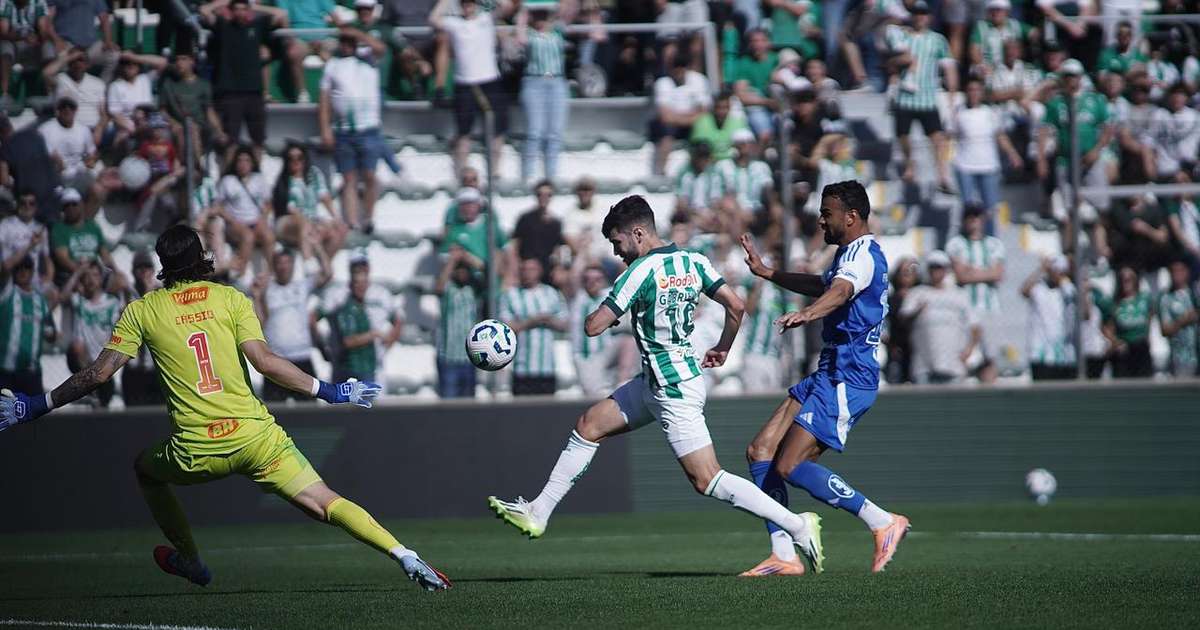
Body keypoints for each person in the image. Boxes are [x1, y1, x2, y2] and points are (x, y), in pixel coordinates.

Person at [0, 225, 449, 591]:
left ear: (162, 266)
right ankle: (403, 554)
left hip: (197, 450)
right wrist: (332, 391)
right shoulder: (231, 299)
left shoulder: (142, 310)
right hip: (257, 439)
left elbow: (97, 375)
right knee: (324, 503)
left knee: (144, 469)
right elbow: (266, 363)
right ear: (202, 259)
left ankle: (192, 562)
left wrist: (35, 405)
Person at [487, 195, 824, 577]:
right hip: (660, 379)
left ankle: (798, 525)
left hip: (673, 388)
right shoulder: (693, 260)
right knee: (589, 425)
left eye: (618, 243)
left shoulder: (639, 272)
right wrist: (723, 348)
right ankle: (539, 511)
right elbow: (736, 305)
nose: (618, 253)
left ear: (637, 233)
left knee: (707, 478)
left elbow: (592, 325)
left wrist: (609, 309)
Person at [736, 180, 909, 577]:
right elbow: (826, 285)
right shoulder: (848, 254)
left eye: (827, 212)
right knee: (760, 451)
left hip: (850, 376)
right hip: (829, 371)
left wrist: (809, 314)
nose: (821, 220)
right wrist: (768, 272)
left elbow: (839, 293)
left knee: (790, 467)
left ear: (850, 217)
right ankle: (784, 554)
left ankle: (881, 521)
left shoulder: (864, 254)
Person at [429, 0, 517, 176]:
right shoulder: (454, 23)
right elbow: (433, 19)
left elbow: (507, 6)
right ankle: (462, 174)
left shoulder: (486, 18)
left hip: (489, 80)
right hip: (464, 84)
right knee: (463, 132)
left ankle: (494, 172)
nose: (467, 5)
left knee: (497, 131)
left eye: (471, 2)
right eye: (464, 3)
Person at [199, 0, 288, 162]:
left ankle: (257, 175)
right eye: (237, 9)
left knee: (258, 139)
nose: (240, 13)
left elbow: (281, 14)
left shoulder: (257, 26)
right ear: (231, 11)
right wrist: (225, 2)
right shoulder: (223, 26)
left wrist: (255, 7)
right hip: (230, 93)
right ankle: (227, 178)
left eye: (244, 9)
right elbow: (204, 10)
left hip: (254, 92)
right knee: (230, 141)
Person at [319, 29, 387, 234]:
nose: (347, 45)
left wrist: (357, 34)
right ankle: (351, 221)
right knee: (348, 178)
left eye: (351, 42)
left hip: (368, 128)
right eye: (344, 41)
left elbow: (381, 48)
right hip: (343, 130)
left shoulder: (370, 60)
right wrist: (325, 129)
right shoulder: (333, 65)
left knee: (369, 175)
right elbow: (324, 101)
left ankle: (368, 217)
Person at [885, 0, 957, 189]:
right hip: (905, 96)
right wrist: (902, 60)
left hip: (927, 96)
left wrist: (952, 93)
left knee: (937, 138)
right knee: (903, 136)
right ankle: (909, 164)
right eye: (916, 14)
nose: (919, 18)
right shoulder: (901, 36)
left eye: (923, 14)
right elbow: (890, 61)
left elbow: (949, 66)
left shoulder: (937, 40)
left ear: (929, 17)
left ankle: (942, 174)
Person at [252, 245, 332, 402]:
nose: (284, 267)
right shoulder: (267, 290)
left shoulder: (302, 286)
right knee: (275, 414)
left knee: (310, 412)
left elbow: (327, 273)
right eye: (280, 263)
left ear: (293, 265)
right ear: (274, 266)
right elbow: (260, 322)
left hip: (302, 358)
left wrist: (317, 247)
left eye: (287, 262)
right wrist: (257, 297)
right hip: (276, 360)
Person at [1037, 59, 1114, 215]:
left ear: (1080, 77)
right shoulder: (1056, 103)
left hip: (1090, 159)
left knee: (1100, 206)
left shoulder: (1094, 100)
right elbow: (1044, 130)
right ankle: (1071, 238)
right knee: (1068, 208)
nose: (1070, 80)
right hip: (1065, 160)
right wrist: (1041, 159)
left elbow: (1108, 128)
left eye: (1074, 76)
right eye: (1067, 76)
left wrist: (1097, 150)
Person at [898, 250, 984, 384]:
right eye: (933, 267)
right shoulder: (916, 294)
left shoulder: (960, 295)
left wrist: (969, 350)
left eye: (939, 267)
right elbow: (903, 321)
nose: (936, 272)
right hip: (924, 363)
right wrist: (917, 312)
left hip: (954, 362)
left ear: (946, 270)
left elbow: (975, 326)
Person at [951, 78, 1022, 230]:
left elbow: (1000, 135)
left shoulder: (990, 112)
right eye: (970, 90)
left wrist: (1012, 153)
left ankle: (990, 240)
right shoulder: (959, 112)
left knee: (990, 207)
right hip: (965, 165)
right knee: (968, 208)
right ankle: (967, 239)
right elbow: (950, 136)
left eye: (977, 90)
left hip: (989, 165)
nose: (974, 93)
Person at [516, 2, 571, 183]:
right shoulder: (530, 34)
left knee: (554, 133)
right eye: (537, 15)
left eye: (544, 15)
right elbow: (521, 37)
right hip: (534, 82)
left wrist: (553, 12)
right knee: (535, 132)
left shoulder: (557, 32)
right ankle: (529, 175)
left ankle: (551, 175)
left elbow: (566, 13)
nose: (541, 19)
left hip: (557, 82)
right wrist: (525, 11)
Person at [499, 258, 567, 396]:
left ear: (540, 271)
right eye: (524, 269)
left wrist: (548, 320)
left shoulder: (551, 293)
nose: (527, 273)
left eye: (532, 269)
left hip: (547, 368)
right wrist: (531, 321)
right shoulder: (511, 295)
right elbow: (506, 328)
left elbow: (565, 324)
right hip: (522, 369)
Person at [271, 143, 348, 258]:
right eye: (291, 159)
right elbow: (291, 210)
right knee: (307, 226)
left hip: (310, 220)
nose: (296, 161)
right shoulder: (285, 181)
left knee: (338, 230)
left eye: (300, 158)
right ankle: (309, 262)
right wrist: (312, 224)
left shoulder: (313, 174)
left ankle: (322, 270)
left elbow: (324, 196)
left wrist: (336, 218)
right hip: (288, 221)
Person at [63, 260, 122, 407]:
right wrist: (77, 272)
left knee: (103, 408)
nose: (90, 279)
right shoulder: (80, 301)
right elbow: (62, 297)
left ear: (101, 278)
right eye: (86, 276)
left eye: (95, 275)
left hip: (104, 362)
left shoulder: (111, 303)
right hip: (84, 364)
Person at [158, 50, 229, 167]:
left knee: (195, 129)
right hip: (177, 125)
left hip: (200, 126)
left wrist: (219, 131)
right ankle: (189, 167)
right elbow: (162, 111)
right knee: (184, 131)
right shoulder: (168, 84)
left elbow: (209, 111)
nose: (179, 63)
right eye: (177, 60)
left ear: (192, 61)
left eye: (183, 59)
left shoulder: (203, 85)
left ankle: (196, 167)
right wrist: (173, 123)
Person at [650, 53, 712, 175]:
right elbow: (665, 116)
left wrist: (680, 117)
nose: (678, 71)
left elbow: (704, 111)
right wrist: (689, 116)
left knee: (705, 130)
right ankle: (660, 172)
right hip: (671, 124)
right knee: (666, 135)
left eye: (682, 67)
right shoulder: (662, 83)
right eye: (675, 67)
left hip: (691, 122)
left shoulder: (699, 80)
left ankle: (705, 170)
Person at [0, 255, 55, 393]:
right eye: (19, 268)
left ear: (32, 272)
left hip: (31, 373)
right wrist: (32, 244)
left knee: (33, 414)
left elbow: (50, 331)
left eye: (27, 268)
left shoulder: (40, 301)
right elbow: (5, 267)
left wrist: (51, 334)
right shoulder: (7, 293)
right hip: (6, 372)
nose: (23, 272)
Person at [216, 146, 274, 277]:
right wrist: (233, 221)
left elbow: (268, 203)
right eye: (240, 161)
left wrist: (263, 219)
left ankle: (271, 274)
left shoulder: (259, 179)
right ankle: (240, 273)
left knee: (269, 236)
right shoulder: (227, 181)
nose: (243, 164)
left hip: (255, 221)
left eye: (247, 160)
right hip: (234, 224)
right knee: (248, 236)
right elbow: (218, 206)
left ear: (252, 163)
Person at [739, 242, 788, 394]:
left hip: (775, 357)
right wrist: (760, 279)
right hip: (755, 354)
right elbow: (749, 309)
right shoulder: (756, 285)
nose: (776, 262)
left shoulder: (783, 289)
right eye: (773, 259)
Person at [434, 246, 481, 398]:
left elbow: (491, 274)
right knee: (448, 407)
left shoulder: (474, 290)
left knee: (468, 409)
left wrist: (467, 257)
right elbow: (439, 286)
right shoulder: (449, 290)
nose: (462, 273)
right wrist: (452, 261)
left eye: (465, 270)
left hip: (469, 359)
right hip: (449, 359)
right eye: (458, 270)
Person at [1021, 255, 1077, 380]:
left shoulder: (1069, 290)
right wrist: (1040, 269)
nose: (1057, 274)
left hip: (1064, 354)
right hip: (1041, 353)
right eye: (1054, 270)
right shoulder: (1039, 288)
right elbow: (1023, 291)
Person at [121, 250, 165, 407]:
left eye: (147, 268)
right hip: (133, 368)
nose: (144, 272)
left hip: (155, 367)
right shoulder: (127, 293)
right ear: (133, 271)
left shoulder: (162, 293)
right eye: (140, 268)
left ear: (153, 271)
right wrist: (146, 292)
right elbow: (133, 322)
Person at [50, 187, 116, 288]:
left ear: (81, 205)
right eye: (66, 205)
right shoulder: (59, 229)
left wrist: (115, 270)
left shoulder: (92, 226)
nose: (71, 208)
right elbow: (63, 259)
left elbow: (104, 253)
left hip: (95, 272)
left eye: (74, 204)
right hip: (73, 274)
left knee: (121, 282)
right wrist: (83, 272)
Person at [569, 264, 618, 398]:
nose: (592, 283)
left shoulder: (608, 295)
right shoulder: (578, 297)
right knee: (593, 395)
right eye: (587, 279)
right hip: (584, 355)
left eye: (597, 279)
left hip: (606, 352)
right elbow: (573, 276)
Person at [41, 47, 107, 145]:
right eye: (74, 61)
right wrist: (68, 57)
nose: (78, 64)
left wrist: (99, 129)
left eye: (81, 60)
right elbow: (46, 73)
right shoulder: (60, 79)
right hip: (66, 129)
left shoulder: (98, 83)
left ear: (87, 64)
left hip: (92, 129)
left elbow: (103, 114)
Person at [0, 0, 54, 107]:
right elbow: (3, 31)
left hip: (34, 44)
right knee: (5, 48)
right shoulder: (5, 2)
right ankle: (5, 94)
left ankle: (51, 94)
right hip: (13, 42)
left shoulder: (39, 2)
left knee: (48, 48)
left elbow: (43, 30)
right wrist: (23, 37)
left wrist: (37, 38)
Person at [1103, 265, 1154, 379]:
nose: (1126, 283)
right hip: (1125, 348)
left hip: (1141, 347)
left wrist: (1148, 335)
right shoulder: (1115, 303)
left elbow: (1150, 315)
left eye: (1129, 279)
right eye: (1123, 280)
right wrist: (1116, 341)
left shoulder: (1144, 298)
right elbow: (1106, 327)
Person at [510, 180, 567, 282]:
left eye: (548, 195)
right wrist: (516, 266)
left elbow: (557, 249)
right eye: (540, 194)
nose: (544, 198)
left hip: (546, 266)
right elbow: (515, 244)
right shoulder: (525, 218)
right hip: (527, 264)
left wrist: (558, 267)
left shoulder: (556, 223)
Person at [731, 29, 779, 141]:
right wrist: (767, 102)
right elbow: (741, 95)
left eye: (762, 40)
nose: (758, 44)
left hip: (780, 103)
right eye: (754, 41)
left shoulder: (777, 60)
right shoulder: (744, 63)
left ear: (769, 43)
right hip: (758, 106)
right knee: (763, 129)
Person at [0, 190, 54, 291]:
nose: (27, 206)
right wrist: (30, 245)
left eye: (31, 203)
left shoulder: (40, 228)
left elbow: (47, 258)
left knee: (54, 295)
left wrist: (49, 278)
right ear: (17, 205)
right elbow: (6, 265)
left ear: (36, 207)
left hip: (34, 282)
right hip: (11, 281)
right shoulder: (5, 225)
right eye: (23, 203)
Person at [1159, 259, 1198, 378]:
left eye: (1180, 270)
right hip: (1181, 357)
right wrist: (1183, 320)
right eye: (1174, 271)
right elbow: (1165, 330)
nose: (1177, 274)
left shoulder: (1195, 294)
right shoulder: (1166, 298)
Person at [689, 90, 750, 162]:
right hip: (709, 163)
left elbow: (745, 149)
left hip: (732, 163)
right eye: (718, 107)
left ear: (730, 108)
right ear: (713, 108)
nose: (721, 112)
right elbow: (699, 149)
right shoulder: (702, 121)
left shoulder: (739, 123)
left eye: (725, 108)